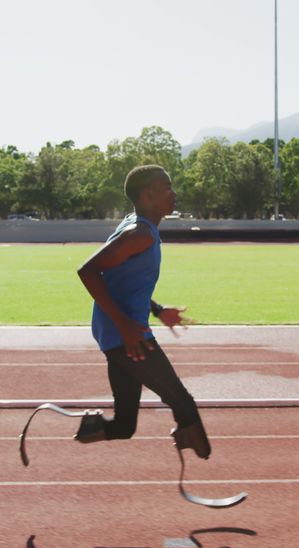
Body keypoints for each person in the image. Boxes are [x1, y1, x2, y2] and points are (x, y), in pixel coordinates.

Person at [75, 164, 210, 459]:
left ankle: (90, 427)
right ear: (148, 195)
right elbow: (88, 271)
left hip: (118, 336)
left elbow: (123, 283)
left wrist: (158, 310)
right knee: (183, 404)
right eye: (167, 188)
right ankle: (201, 458)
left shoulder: (136, 226)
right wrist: (125, 325)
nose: (173, 194)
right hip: (128, 337)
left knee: (125, 426)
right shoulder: (139, 233)